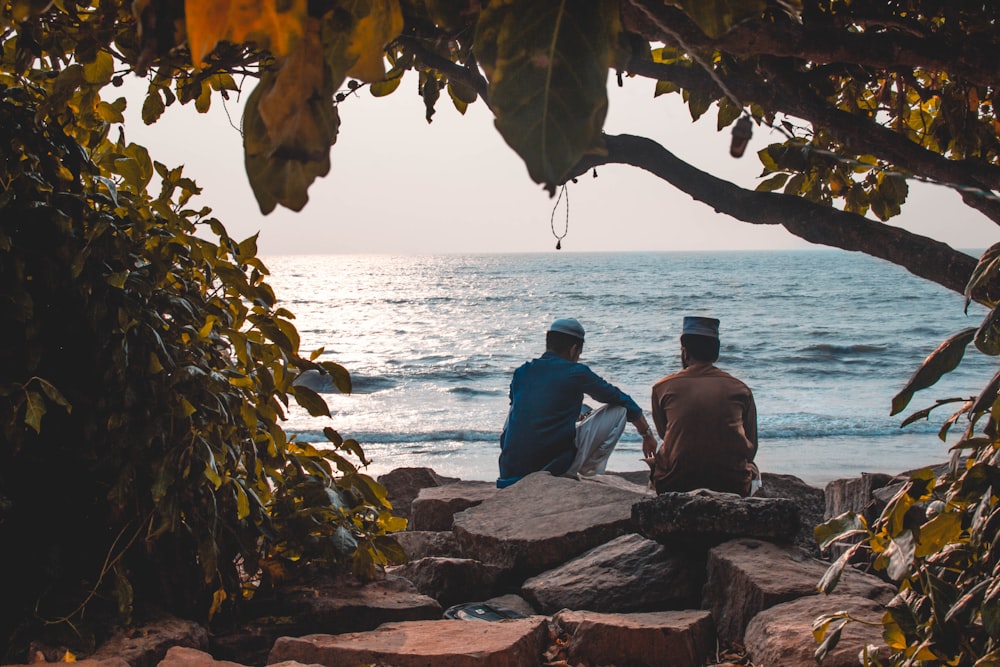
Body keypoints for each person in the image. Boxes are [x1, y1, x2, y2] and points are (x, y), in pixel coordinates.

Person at [498, 317, 657, 488]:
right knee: (619, 411)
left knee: (515, 409)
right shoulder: (575, 372)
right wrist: (646, 434)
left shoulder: (522, 372)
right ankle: (589, 474)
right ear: (574, 350)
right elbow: (622, 400)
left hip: (510, 472)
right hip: (553, 467)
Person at [647, 316, 758, 496]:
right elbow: (751, 445)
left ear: (685, 352)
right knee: (752, 469)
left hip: (674, 482)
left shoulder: (662, 387)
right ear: (716, 353)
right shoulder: (740, 388)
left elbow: (664, 433)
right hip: (732, 484)